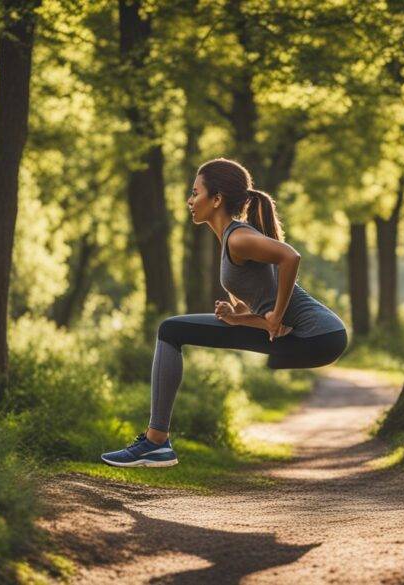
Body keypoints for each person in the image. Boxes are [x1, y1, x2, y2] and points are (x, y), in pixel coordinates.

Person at [100, 158, 348, 468]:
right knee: (174, 330)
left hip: (318, 336)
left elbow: (290, 257)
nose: (190, 201)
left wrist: (275, 316)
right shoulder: (231, 239)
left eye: (195, 192)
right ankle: (156, 442)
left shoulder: (239, 238)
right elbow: (260, 297)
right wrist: (238, 314)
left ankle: (156, 442)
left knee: (170, 330)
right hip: (318, 338)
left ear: (216, 199)